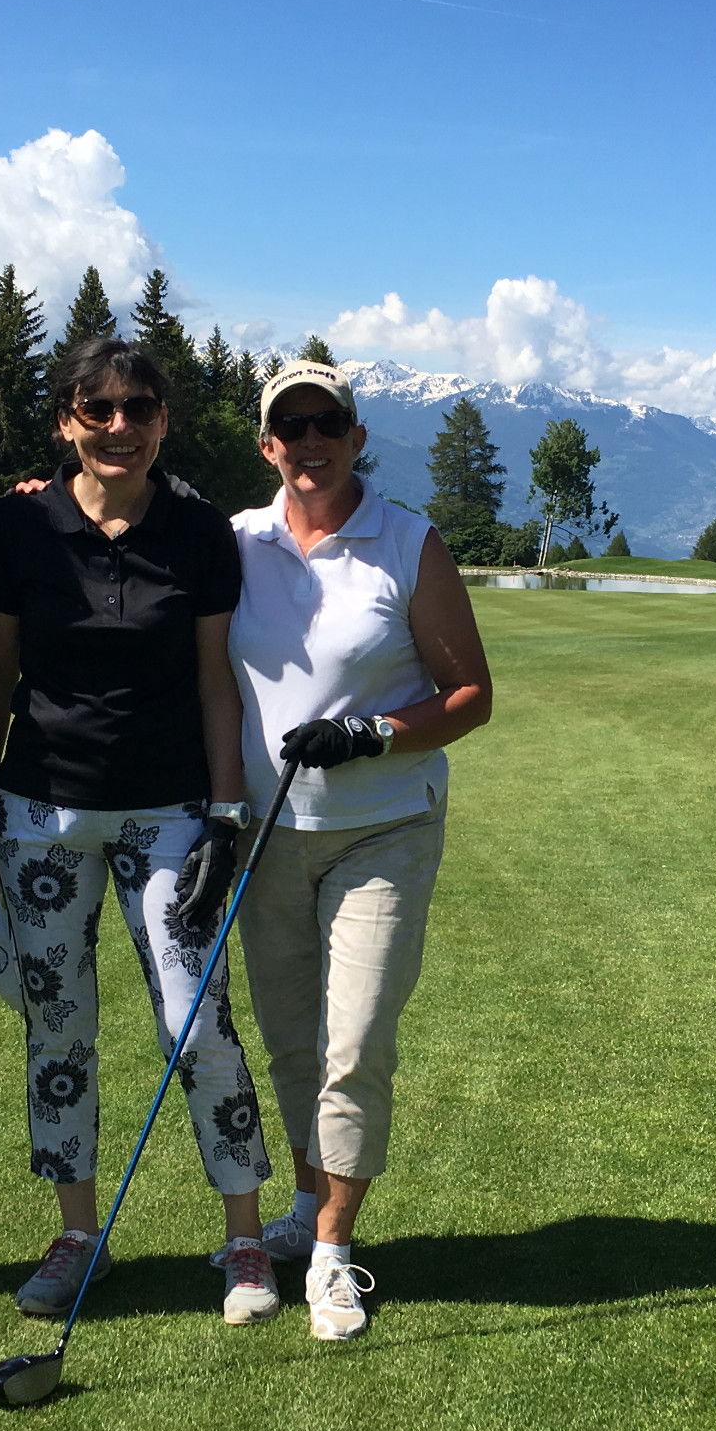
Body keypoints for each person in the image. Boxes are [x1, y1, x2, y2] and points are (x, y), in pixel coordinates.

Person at [0, 337, 280, 1328]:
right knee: (58, 1029)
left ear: (162, 420)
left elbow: (214, 679)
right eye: (96, 409)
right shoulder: (19, 523)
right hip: (39, 812)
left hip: (169, 812)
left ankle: (243, 1237)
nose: (118, 426)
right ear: (66, 419)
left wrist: (226, 812)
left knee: (197, 1022)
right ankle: (76, 1235)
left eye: (138, 407)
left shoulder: (197, 528)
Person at [227, 359, 493, 1340]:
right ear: (268, 445)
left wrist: (371, 732)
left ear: (356, 436)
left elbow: (470, 695)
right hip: (267, 834)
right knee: (293, 1042)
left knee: (356, 1041)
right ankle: (307, 1205)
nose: (310, 440)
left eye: (326, 422)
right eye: (290, 426)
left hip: (384, 827)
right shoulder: (236, 541)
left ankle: (333, 1251)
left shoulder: (406, 542)